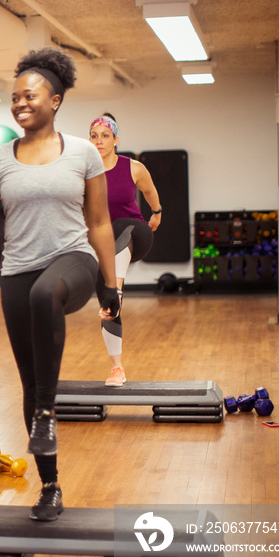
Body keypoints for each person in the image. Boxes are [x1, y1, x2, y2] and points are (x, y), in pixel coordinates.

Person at [0, 47, 120, 521]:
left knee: (47, 293)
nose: (20, 103)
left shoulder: (84, 153)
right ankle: (50, 487)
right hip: (17, 271)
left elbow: (100, 222)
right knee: (30, 382)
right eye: (14, 97)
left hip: (74, 261)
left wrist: (111, 284)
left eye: (30, 95)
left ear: (56, 100)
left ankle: (47, 415)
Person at [88, 113, 161, 387]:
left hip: (136, 233)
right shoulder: (85, 172)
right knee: (105, 298)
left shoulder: (133, 167)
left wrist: (157, 212)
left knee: (120, 225)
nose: (99, 141)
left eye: (105, 135)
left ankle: (114, 290)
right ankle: (116, 368)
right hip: (106, 246)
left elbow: (151, 191)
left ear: (116, 139)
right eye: (94, 136)